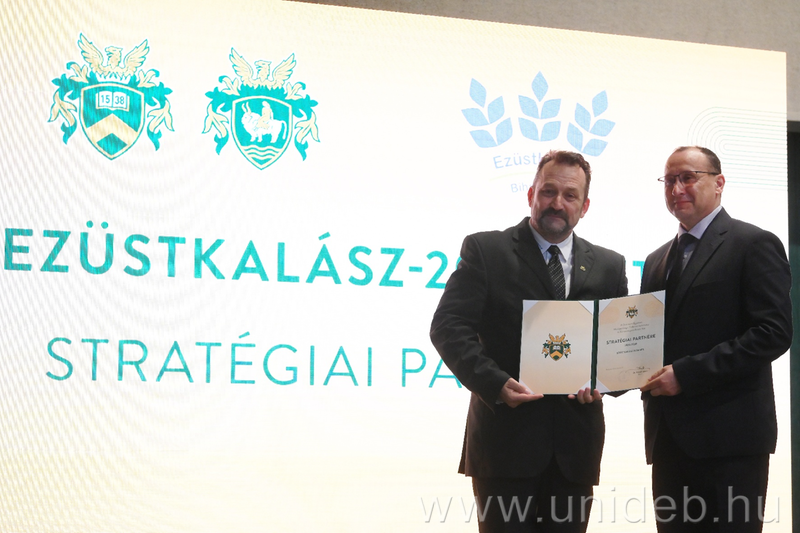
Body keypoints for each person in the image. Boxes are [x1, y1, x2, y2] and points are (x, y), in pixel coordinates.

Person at [430, 150, 627, 532]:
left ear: (585, 206)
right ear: (531, 195)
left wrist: (606, 382)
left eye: (570, 195)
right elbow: (448, 326)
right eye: (548, 191)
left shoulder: (609, 265)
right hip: (504, 445)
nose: (557, 203)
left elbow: (618, 345)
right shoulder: (486, 251)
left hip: (575, 451)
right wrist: (495, 384)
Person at [640, 146, 792, 532]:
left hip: (731, 443)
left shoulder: (753, 243)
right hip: (668, 442)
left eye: (688, 178)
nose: (677, 189)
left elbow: (773, 333)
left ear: (719, 182)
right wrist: (609, 377)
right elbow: (644, 343)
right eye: (669, 180)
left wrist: (686, 375)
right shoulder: (656, 260)